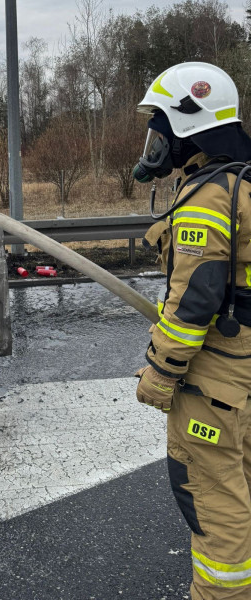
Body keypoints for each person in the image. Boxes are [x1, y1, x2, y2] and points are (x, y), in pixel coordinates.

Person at [133, 63, 251, 599]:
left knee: (213, 498)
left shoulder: (208, 197)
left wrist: (159, 374)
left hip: (217, 380)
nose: (153, 139)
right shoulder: (244, 183)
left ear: (187, 126)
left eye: (159, 125)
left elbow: (194, 301)